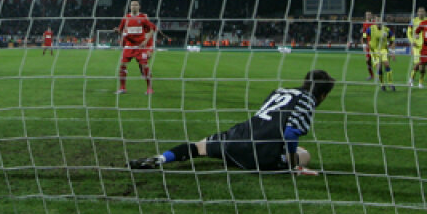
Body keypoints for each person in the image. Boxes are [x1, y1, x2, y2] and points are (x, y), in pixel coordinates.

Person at [129, 70, 336, 175]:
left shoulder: (280, 91)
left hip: (238, 136)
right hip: (259, 154)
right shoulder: (308, 99)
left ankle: (162, 159)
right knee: (304, 154)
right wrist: (293, 165)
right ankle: (283, 163)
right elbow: (291, 133)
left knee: (200, 146)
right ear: (324, 95)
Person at [115, 0, 156, 95]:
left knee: (145, 66)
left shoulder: (143, 18)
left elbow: (151, 30)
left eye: (136, 5)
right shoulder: (125, 18)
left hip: (140, 47)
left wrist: (145, 41)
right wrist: (117, 31)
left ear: (139, 7)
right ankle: (122, 88)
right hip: (129, 46)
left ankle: (150, 88)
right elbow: (121, 31)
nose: (134, 6)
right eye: (132, 5)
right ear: (130, 7)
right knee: (122, 65)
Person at [364, 17, 395, 91]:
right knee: (379, 67)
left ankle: (390, 84)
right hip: (374, 51)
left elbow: (392, 40)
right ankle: (382, 84)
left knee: (387, 64)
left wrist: (392, 51)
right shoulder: (370, 29)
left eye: (380, 21)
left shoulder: (387, 30)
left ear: (382, 22)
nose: (378, 22)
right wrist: (366, 44)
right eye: (377, 21)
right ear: (375, 22)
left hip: (383, 50)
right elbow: (364, 36)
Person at [406, 7, 426, 87]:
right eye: (419, 11)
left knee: (422, 68)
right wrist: (412, 41)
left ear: (425, 13)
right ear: (417, 13)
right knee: (418, 63)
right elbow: (408, 32)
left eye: (422, 11)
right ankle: (411, 80)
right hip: (416, 46)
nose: (421, 13)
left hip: (425, 46)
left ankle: (420, 83)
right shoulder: (413, 21)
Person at [359, 11, 376, 80]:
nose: (368, 16)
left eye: (369, 15)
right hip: (368, 44)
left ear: (371, 15)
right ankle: (371, 75)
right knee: (368, 60)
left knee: (376, 60)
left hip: (375, 44)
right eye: (366, 15)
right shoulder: (365, 23)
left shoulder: (375, 22)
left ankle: (379, 75)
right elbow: (364, 34)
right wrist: (364, 44)